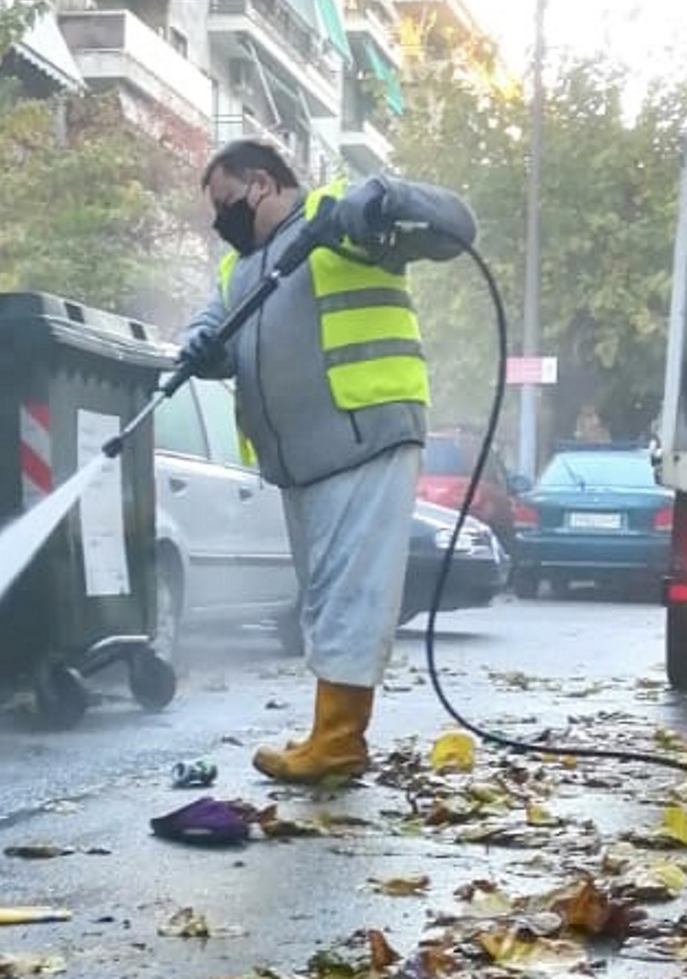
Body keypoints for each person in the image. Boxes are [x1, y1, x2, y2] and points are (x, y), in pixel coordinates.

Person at [177, 138, 476, 784]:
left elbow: (456, 225)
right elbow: (210, 326)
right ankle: (331, 733)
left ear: (260, 184)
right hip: (301, 459)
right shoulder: (240, 270)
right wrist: (197, 348)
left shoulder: (340, 215)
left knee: (350, 592)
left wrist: (386, 198)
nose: (221, 221)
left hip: (365, 430)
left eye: (226, 202)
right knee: (324, 597)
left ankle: (338, 742)